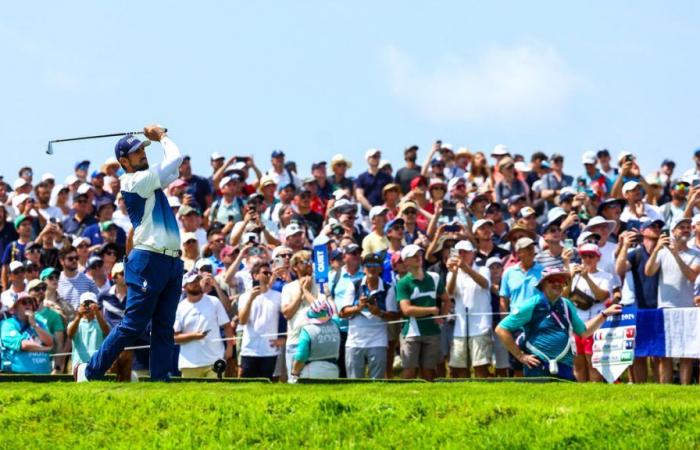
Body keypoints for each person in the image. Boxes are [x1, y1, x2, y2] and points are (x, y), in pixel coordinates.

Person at [75, 125, 185, 382]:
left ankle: (160, 380)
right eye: (136, 153)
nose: (142, 155)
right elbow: (175, 159)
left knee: (163, 327)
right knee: (133, 324)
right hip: (148, 259)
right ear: (124, 161)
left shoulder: (147, 179)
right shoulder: (134, 181)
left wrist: (158, 141)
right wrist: (161, 138)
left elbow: (174, 169)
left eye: (142, 150)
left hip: (170, 260)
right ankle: (90, 372)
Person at [496, 267, 622, 380]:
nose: (557, 283)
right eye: (552, 280)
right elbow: (501, 329)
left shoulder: (567, 304)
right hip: (538, 367)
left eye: (561, 280)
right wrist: (520, 356)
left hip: (565, 366)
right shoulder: (532, 304)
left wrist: (604, 314)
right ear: (543, 284)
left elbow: (583, 332)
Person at [644, 216, 700, 384]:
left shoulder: (696, 254)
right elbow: (648, 271)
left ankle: (684, 387)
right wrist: (656, 250)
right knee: (665, 353)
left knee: (686, 353)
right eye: (680, 227)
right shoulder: (661, 252)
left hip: (687, 308)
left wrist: (676, 254)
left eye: (687, 227)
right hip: (665, 308)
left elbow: (691, 276)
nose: (685, 229)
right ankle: (665, 387)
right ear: (673, 231)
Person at [339, 253, 399, 379]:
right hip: (354, 341)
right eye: (369, 265)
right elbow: (342, 313)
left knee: (377, 383)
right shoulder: (354, 285)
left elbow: (394, 315)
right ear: (364, 268)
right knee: (354, 383)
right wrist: (358, 307)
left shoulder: (389, 288)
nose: (372, 268)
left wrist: (379, 312)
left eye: (376, 265)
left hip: (378, 341)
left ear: (381, 268)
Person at [396, 244, 448, 381]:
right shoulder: (403, 283)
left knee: (429, 372)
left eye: (419, 254)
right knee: (409, 372)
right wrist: (432, 310)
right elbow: (406, 310)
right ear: (406, 261)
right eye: (414, 256)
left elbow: (446, 300)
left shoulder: (435, 277)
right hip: (411, 333)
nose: (418, 257)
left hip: (432, 331)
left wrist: (442, 316)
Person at [567, 243, 614, 382]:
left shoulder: (605, 276)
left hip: (595, 324)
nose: (587, 259)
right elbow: (564, 296)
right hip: (576, 324)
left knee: (593, 363)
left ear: (598, 258)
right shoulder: (574, 275)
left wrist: (587, 277)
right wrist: (570, 277)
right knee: (578, 363)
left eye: (591, 256)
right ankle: (581, 392)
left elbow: (602, 296)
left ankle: (595, 391)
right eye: (584, 256)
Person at [445, 240, 492, 378]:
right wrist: (453, 273)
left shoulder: (483, 269)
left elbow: (484, 284)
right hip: (460, 327)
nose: (462, 255)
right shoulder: (452, 273)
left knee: (481, 367)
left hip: (481, 326)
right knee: (459, 369)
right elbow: (450, 292)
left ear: (473, 253)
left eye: (465, 252)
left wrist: (465, 268)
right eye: (459, 252)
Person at [174, 272, 234, 378]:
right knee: (191, 395)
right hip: (189, 364)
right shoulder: (180, 308)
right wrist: (194, 336)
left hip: (214, 360)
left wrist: (229, 347)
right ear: (184, 287)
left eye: (197, 280)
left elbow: (227, 326)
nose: (196, 283)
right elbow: (174, 337)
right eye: (192, 282)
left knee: (216, 393)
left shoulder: (214, 301)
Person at [238, 261, 282, 379]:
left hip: (269, 350)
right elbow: (242, 321)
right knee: (246, 386)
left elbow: (285, 319)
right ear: (255, 275)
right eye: (265, 273)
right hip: (249, 349)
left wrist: (284, 339)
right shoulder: (244, 297)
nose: (268, 275)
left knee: (267, 385)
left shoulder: (278, 296)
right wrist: (251, 299)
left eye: (270, 273)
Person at [289, 300, 341, 382]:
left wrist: (294, 374)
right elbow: (334, 312)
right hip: (333, 370)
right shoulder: (336, 324)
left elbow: (301, 356)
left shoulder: (307, 330)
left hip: (312, 370)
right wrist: (328, 296)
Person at [0, 293, 53, 374]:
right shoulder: (7, 324)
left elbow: (49, 342)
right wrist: (45, 349)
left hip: (43, 373)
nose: (28, 305)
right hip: (17, 376)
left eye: (30, 302)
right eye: (24, 302)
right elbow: (23, 345)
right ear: (14, 308)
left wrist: (34, 325)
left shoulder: (39, 323)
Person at [28, 279, 66, 374]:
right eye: (37, 289)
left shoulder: (54, 315)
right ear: (29, 292)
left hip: (45, 364)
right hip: (24, 362)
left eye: (43, 288)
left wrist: (57, 368)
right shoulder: (21, 313)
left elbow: (59, 344)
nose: (41, 291)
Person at [67, 292, 111, 372]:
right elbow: (70, 334)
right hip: (78, 365)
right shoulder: (74, 323)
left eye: (91, 303)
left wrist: (97, 313)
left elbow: (107, 332)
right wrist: (79, 316)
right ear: (80, 306)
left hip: (97, 365)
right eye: (85, 304)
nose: (88, 306)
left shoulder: (101, 322)